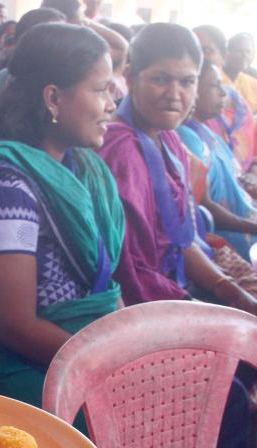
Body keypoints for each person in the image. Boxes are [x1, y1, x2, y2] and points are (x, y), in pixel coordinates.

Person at [0, 23, 123, 413]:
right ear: (53, 98)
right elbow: (15, 326)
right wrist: (107, 362)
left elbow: (105, 290)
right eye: (100, 89)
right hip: (30, 370)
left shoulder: (83, 170)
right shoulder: (2, 185)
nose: (112, 103)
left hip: (85, 350)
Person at [97, 23, 257, 316]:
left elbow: (179, 241)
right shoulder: (118, 151)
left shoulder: (169, 139)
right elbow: (129, 270)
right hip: (138, 309)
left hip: (174, 289)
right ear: (131, 78)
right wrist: (202, 311)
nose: (175, 94)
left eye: (187, 82)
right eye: (160, 79)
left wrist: (229, 289)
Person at [177, 60, 257, 260]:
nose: (224, 93)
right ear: (193, 89)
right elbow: (203, 208)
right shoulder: (185, 138)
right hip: (224, 246)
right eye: (215, 86)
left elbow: (235, 181)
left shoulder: (205, 130)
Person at [0, 7, 66, 118]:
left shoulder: (63, 81)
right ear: (26, 43)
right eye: (57, 39)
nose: (65, 47)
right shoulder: (4, 81)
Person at [195, 25, 257, 175]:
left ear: (223, 56)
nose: (195, 56)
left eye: (206, 50)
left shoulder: (240, 106)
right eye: (193, 48)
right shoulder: (176, 109)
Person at [223, 33, 257, 111]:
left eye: (248, 52)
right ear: (227, 52)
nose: (244, 55)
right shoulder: (214, 77)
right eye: (240, 51)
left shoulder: (253, 82)